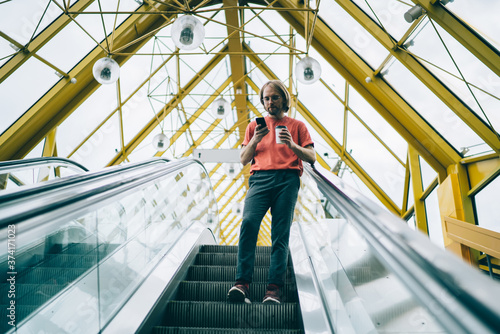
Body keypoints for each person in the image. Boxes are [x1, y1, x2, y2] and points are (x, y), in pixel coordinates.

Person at [227, 80, 316, 304]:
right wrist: (256, 138)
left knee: (280, 234)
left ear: (284, 99)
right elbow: (243, 159)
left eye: (274, 97)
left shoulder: (297, 126)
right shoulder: (253, 127)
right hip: (259, 180)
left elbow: (312, 157)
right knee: (248, 223)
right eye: (266, 98)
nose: (270, 102)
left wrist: (292, 146)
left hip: (287, 180)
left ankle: (273, 289)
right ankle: (242, 283)